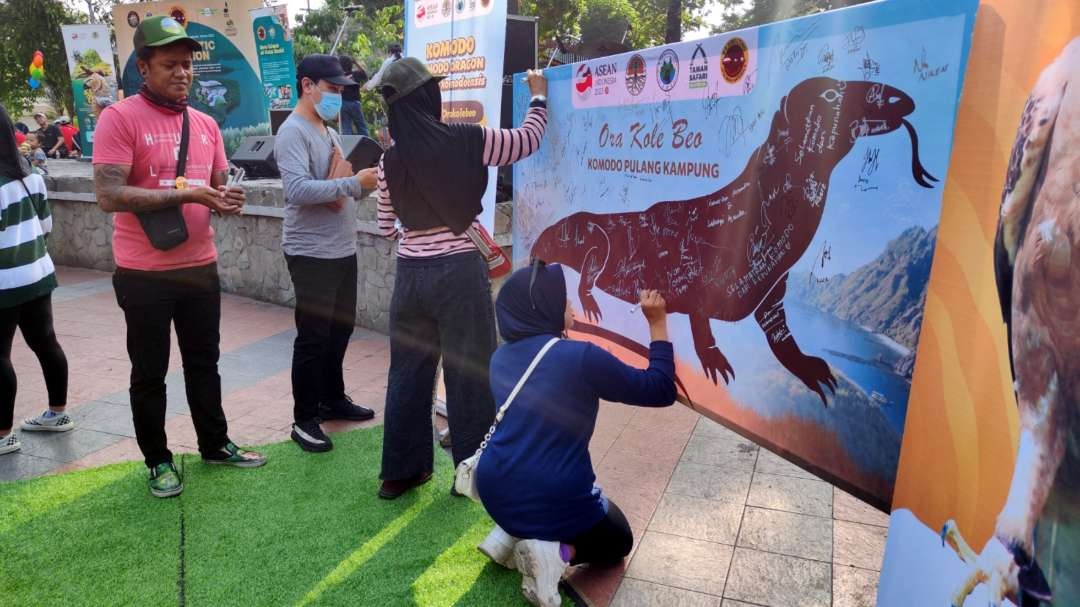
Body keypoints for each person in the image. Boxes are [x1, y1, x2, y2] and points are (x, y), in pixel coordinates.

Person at [92, 15, 266, 498]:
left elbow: (214, 189)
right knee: (149, 372)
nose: (182, 73)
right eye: (170, 64)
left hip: (199, 266)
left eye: (187, 65)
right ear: (143, 67)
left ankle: (215, 443)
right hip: (143, 272)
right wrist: (188, 197)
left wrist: (227, 200)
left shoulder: (206, 123)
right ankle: (158, 461)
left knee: (204, 362)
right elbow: (108, 194)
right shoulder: (119, 118)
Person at [373, 58, 549, 499]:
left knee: (407, 374)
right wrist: (540, 96)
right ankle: (471, 472)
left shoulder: (388, 161)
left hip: (410, 275)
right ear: (427, 98)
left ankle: (400, 472)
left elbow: (383, 225)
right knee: (469, 372)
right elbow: (526, 141)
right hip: (459, 272)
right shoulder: (469, 138)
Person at [475, 264, 677, 607]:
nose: (571, 304)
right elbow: (659, 389)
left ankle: (510, 534)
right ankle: (557, 552)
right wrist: (657, 322)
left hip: (493, 490)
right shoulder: (581, 357)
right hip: (550, 496)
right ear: (543, 308)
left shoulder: (500, 357)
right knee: (618, 541)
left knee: (530, 475)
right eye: (562, 299)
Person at [274, 54, 379, 453]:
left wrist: (367, 181)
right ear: (308, 85)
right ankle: (304, 419)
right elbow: (298, 190)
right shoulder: (293, 132)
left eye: (340, 91)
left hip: (340, 249)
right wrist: (354, 183)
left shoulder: (326, 130)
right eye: (332, 89)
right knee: (313, 337)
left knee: (341, 327)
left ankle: (332, 398)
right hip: (310, 251)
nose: (337, 97)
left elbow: (339, 185)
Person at [0, 104, 72, 456]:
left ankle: (2, 435)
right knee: (46, 343)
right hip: (38, 275)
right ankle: (57, 413)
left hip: (3, 284)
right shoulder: (31, 177)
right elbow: (45, 228)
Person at [337, 55, 369, 137]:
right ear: (351, 64)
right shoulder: (356, 74)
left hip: (343, 104)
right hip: (355, 103)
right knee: (362, 127)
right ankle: (366, 145)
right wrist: (356, 62)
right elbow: (365, 74)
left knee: (346, 129)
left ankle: (348, 148)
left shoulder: (339, 77)